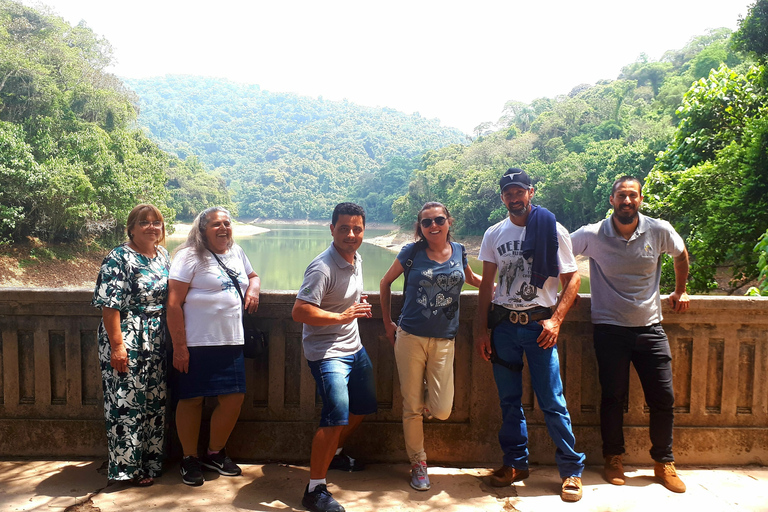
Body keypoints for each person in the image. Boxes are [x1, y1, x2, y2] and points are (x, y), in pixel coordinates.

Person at [570, 176, 689, 493]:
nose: (627, 201)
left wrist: (681, 291)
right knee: (612, 398)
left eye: (632, 195)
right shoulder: (592, 234)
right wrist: (551, 292)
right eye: (621, 195)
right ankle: (613, 458)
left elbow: (680, 254)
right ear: (612, 199)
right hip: (609, 328)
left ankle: (663, 462)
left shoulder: (658, 229)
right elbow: (559, 253)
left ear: (640, 199)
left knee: (663, 398)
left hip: (650, 327)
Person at [473, 168, 585, 503]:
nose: (514, 197)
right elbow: (485, 286)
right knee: (509, 401)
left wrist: (557, 321)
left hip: (539, 327)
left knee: (552, 401)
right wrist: (482, 329)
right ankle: (515, 464)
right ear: (503, 197)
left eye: (519, 191)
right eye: (508, 193)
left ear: (530, 192)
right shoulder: (494, 233)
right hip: (505, 327)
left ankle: (571, 472)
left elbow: (573, 279)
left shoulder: (553, 229)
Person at [379, 201, 482, 491]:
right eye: (426, 223)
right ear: (420, 228)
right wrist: (388, 324)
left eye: (439, 220)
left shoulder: (460, 250)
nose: (433, 226)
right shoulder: (411, 252)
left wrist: (500, 290)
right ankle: (418, 463)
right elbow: (385, 283)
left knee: (442, 409)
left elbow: (472, 278)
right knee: (411, 407)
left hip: (444, 339)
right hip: (410, 337)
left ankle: (424, 392)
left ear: (449, 221)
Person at [292, 202, 377, 512]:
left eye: (357, 229)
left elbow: (347, 298)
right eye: (344, 228)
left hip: (354, 347)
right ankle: (315, 489)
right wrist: (341, 316)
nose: (351, 234)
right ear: (332, 229)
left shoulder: (356, 259)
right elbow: (299, 311)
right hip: (327, 353)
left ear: (363, 231)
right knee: (335, 414)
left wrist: (356, 303)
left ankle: (336, 452)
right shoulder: (321, 266)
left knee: (364, 406)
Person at [166, 206, 260, 486]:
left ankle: (214, 452)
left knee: (233, 398)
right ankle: (189, 458)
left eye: (227, 224)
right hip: (196, 342)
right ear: (202, 230)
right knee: (191, 399)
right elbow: (173, 303)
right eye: (216, 224)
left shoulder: (237, 252)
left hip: (231, 340)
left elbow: (252, 276)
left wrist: (253, 289)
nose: (223, 229)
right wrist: (180, 347)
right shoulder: (188, 256)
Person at [91, 203, 170, 487]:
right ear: (132, 227)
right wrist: (117, 346)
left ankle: (150, 463)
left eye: (156, 222)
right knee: (125, 401)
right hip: (128, 335)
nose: (152, 227)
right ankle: (127, 468)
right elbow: (109, 306)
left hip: (157, 336)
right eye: (144, 222)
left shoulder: (162, 255)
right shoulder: (119, 257)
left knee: (153, 401)